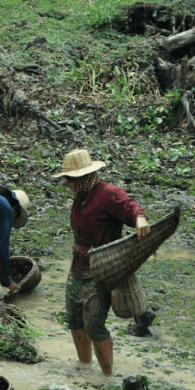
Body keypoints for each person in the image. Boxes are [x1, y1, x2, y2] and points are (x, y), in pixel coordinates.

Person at [53, 149, 153, 376]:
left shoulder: (108, 194)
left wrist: (139, 218)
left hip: (100, 269)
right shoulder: (80, 197)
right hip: (77, 267)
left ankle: (107, 376)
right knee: (74, 319)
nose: (67, 185)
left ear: (80, 179)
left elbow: (131, 207)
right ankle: (84, 367)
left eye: (69, 180)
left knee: (94, 325)